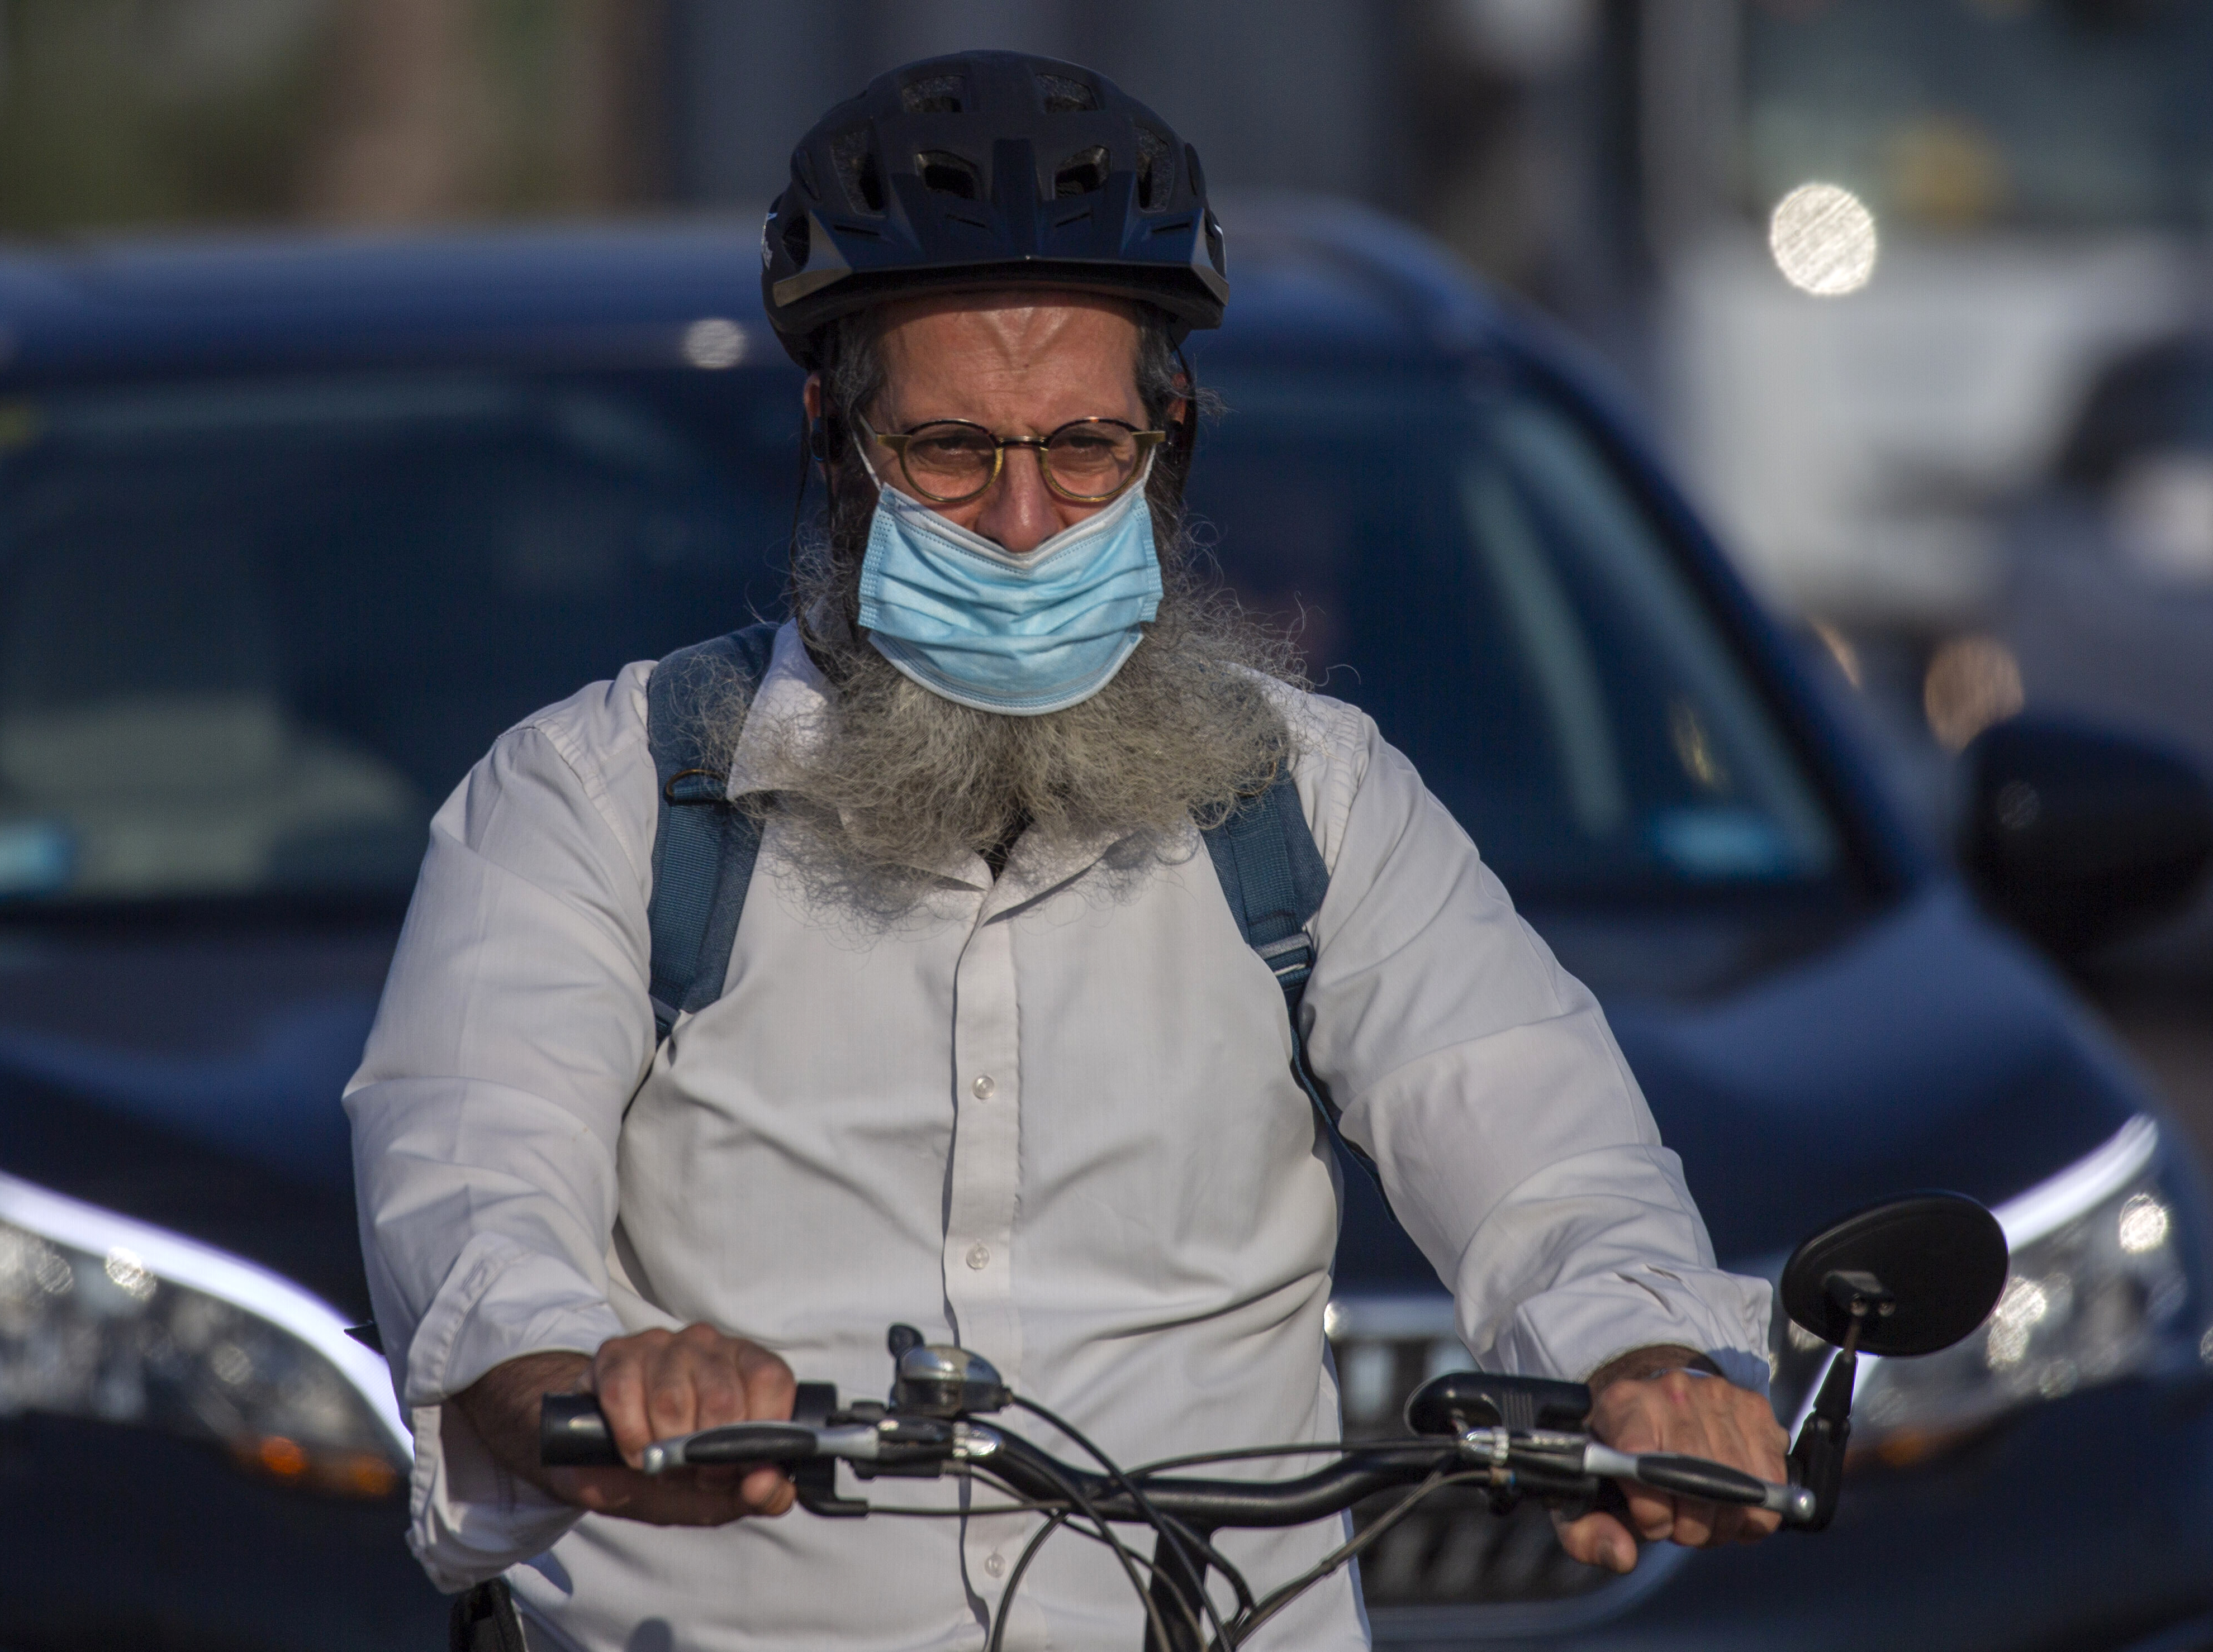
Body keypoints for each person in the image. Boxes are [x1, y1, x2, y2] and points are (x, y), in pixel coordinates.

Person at [346, 50, 1786, 1650]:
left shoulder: (1310, 797)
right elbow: (471, 1171)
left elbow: (1538, 1136)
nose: (1023, 526)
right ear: (838, 443)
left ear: (1168, 446)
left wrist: (1645, 1363)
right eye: (951, 452)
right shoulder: (595, 795)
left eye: (1084, 451)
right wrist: (583, 1376)